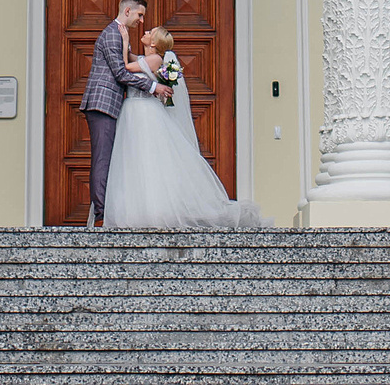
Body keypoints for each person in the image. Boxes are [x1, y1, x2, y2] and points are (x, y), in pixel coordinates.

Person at [104, 26, 271, 231]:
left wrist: (124, 39)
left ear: (155, 44)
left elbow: (126, 67)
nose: (146, 31)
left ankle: (157, 212)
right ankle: (141, 209)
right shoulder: (145, 59)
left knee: (148, 159)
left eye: (151, 32)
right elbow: (131, 58)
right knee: (137, 160)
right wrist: (124, 41)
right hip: (133, 113)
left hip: (145, 113)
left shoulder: (155, 59)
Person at [78, 0, 165, 226]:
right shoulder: (111, 35)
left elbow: (131, 64)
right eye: (139, 14)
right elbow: (120, 73)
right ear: (127, 11)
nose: (141, 21)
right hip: (102, 104)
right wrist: (153, 86)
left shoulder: (120, 35)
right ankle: (101, 216)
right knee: (103, 159)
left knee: (108, 158)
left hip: (109, 105)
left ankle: (105, 211)